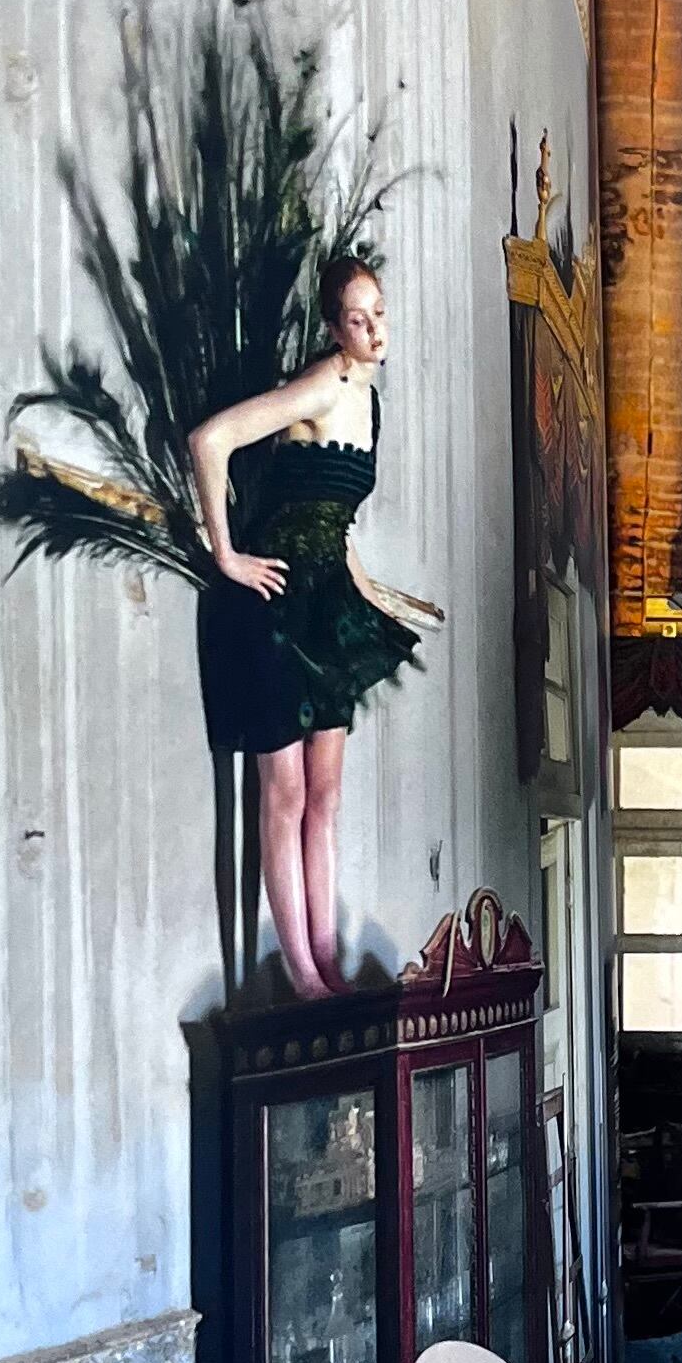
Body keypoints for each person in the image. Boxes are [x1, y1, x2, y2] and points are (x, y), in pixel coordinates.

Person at [192, 257, 433, 997]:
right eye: (357, 320)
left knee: (325, 795)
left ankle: (326, 957)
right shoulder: (323, 384)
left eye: (379, 314)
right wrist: (227, 555)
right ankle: (302, 971)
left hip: (328, 608)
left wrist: (369, 594)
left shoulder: (370, 402)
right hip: (271, 608)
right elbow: (210, 441)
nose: (374, 331)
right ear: (334, 328)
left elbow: (334, 521)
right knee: (286, 793)